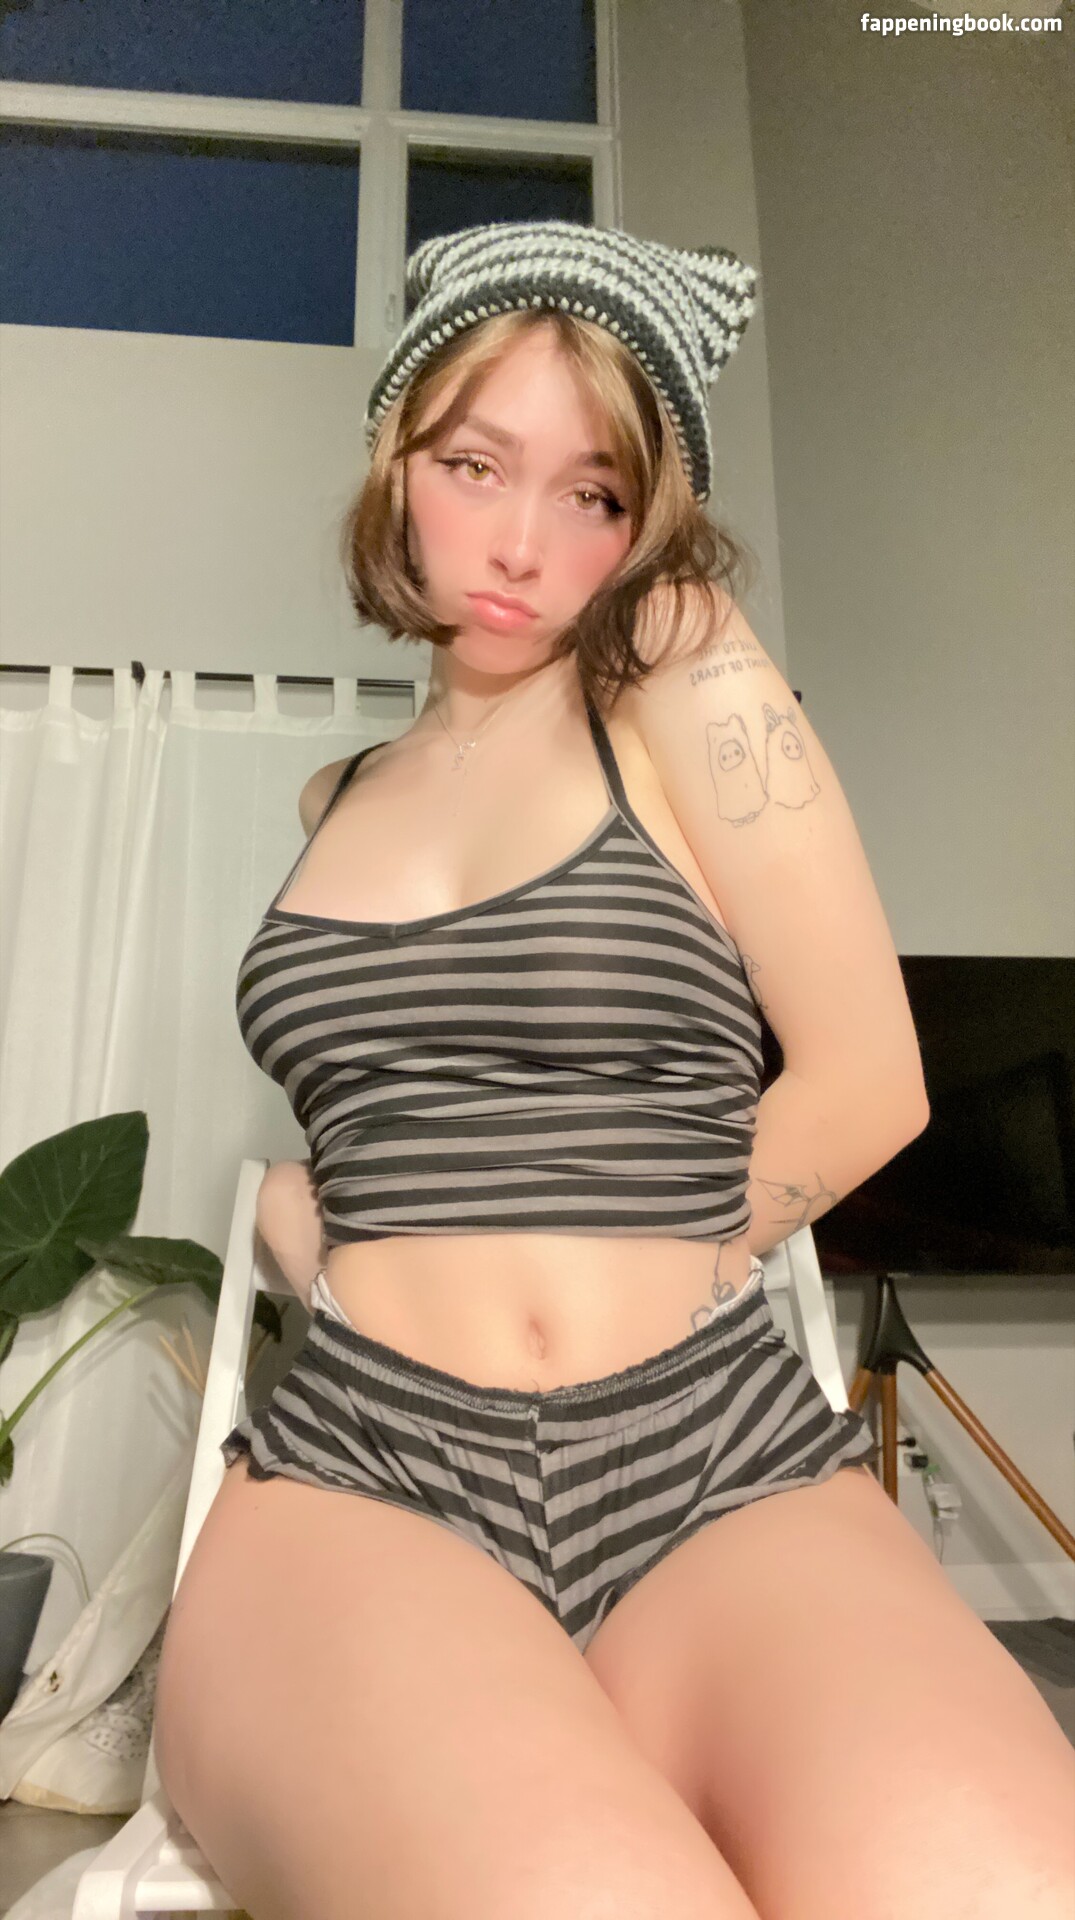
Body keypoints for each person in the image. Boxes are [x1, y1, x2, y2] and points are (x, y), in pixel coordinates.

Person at [153, 221, 1075, 1920]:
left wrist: (659, 1270)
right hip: (370, 1470)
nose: (523, 543)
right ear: (397, 458)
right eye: (474, 465)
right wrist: (310, 1227)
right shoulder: (332, 802)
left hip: (707, 1447)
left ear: (649, 524)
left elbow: (871, 1074)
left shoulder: (672, 661)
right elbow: (392, 1120)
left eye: (592, 494)